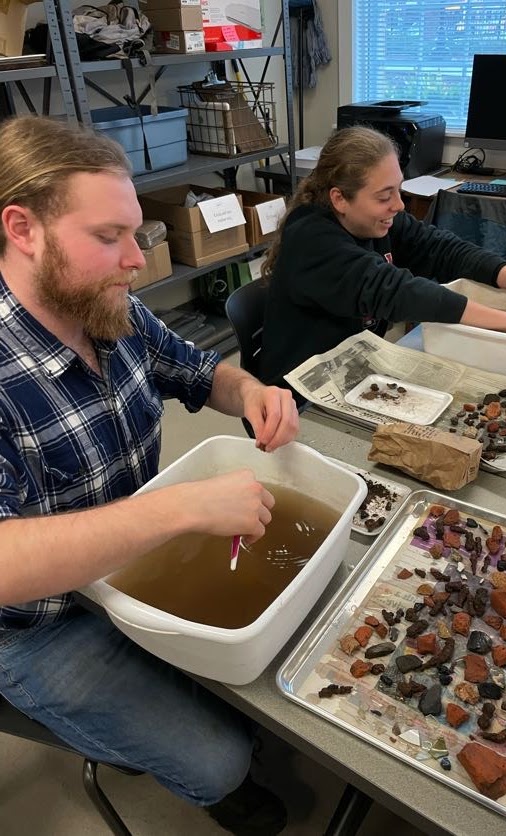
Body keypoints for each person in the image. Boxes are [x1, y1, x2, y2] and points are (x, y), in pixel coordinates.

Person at [0, 116, 300, 835]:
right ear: (22, 228)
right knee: (220, 759)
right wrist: (180, 511)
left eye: (136, 234)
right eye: (109, 237)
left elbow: (199, 372)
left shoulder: (111, 307)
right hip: (37, 625)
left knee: (275, 649)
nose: (136, 259)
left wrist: (253, 393)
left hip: (133, 563)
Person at [260, 126, 506, 391]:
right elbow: (397, 290)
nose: (399, 205)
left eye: (398, 190)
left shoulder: (377, 221)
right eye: (384, 196)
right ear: (339, 199)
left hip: (356, 371)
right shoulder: (311, 239)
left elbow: (442, 248)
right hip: (298, 393)